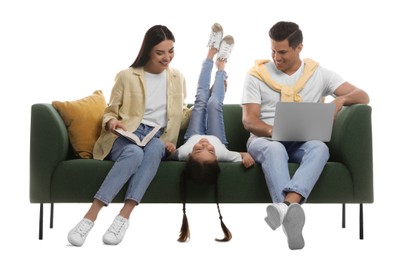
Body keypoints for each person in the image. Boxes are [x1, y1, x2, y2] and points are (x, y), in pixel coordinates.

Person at [241, 21, 369, 250]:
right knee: (275, 148)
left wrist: (340, 100)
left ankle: (284, 208)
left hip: (301, 141)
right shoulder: (256, 75)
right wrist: (277, 132)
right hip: (265, 141)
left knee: (320, 148)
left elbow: (362, 95)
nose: (276, 58)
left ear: (299, 48)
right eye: (273, 51)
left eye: (282, 52)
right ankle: (291, 214)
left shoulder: (318, 74)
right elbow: (249, 120)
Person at [67, 25, 190, 247]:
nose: (167, 57)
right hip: (128, 135)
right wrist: (112, 122)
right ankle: (89, 217)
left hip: (157, 137)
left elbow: (179, 114)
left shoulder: (177, 77)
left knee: (154, 149)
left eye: (171, 51)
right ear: (148, 51)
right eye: (160, 52)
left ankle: (123, 217)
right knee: (133, 153)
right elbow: (110, 111)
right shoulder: (127, 76)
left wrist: (206, 102)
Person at [170, 23, 255, 243]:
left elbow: (167, 154)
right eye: (210, 150)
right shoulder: (222, 153)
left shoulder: (182, 153)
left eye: (200, 149)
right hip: (222, 137)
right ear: (217, 156)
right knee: (214, 103)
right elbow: (242, 155)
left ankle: (210, 51)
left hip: (192, 132)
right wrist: (246, 156)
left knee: (200, 100)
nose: (206, 144)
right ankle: (222, 64)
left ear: (189, 155)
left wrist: (167, 148)